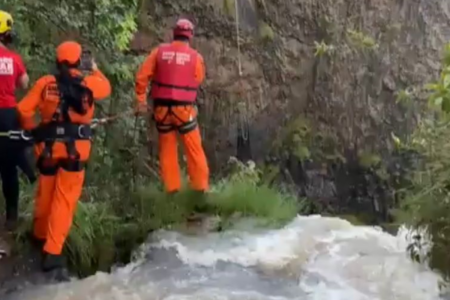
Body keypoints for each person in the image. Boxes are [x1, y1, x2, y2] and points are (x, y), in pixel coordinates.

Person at [17, 41, 111, 274]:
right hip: (75, 151)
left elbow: (23, 110)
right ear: (80, 61)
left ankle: (39, 236)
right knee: (64, 200)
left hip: (48, 149)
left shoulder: (45, 83)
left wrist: (33, 131)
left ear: (57, 61)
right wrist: (95, 68)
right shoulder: (90, 84)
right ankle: (53, 251)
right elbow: (106, 87)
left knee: (45, 193)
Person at [135, 18, 209, 195]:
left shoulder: (159, 52)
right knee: (194, 150)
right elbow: (198, 78)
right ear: (190, 36)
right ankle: (200, 189)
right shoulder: (196, 57)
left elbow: (142, 76)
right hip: (183, 111)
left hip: (162, 110)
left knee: (167, 150)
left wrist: (141, 100)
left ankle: (172, 190)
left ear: (174, 33)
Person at [0, 10, 31, 231]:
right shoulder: (14, 59)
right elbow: (25, 83)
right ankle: (11, 216)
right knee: (8, 165)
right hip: (8, 114)